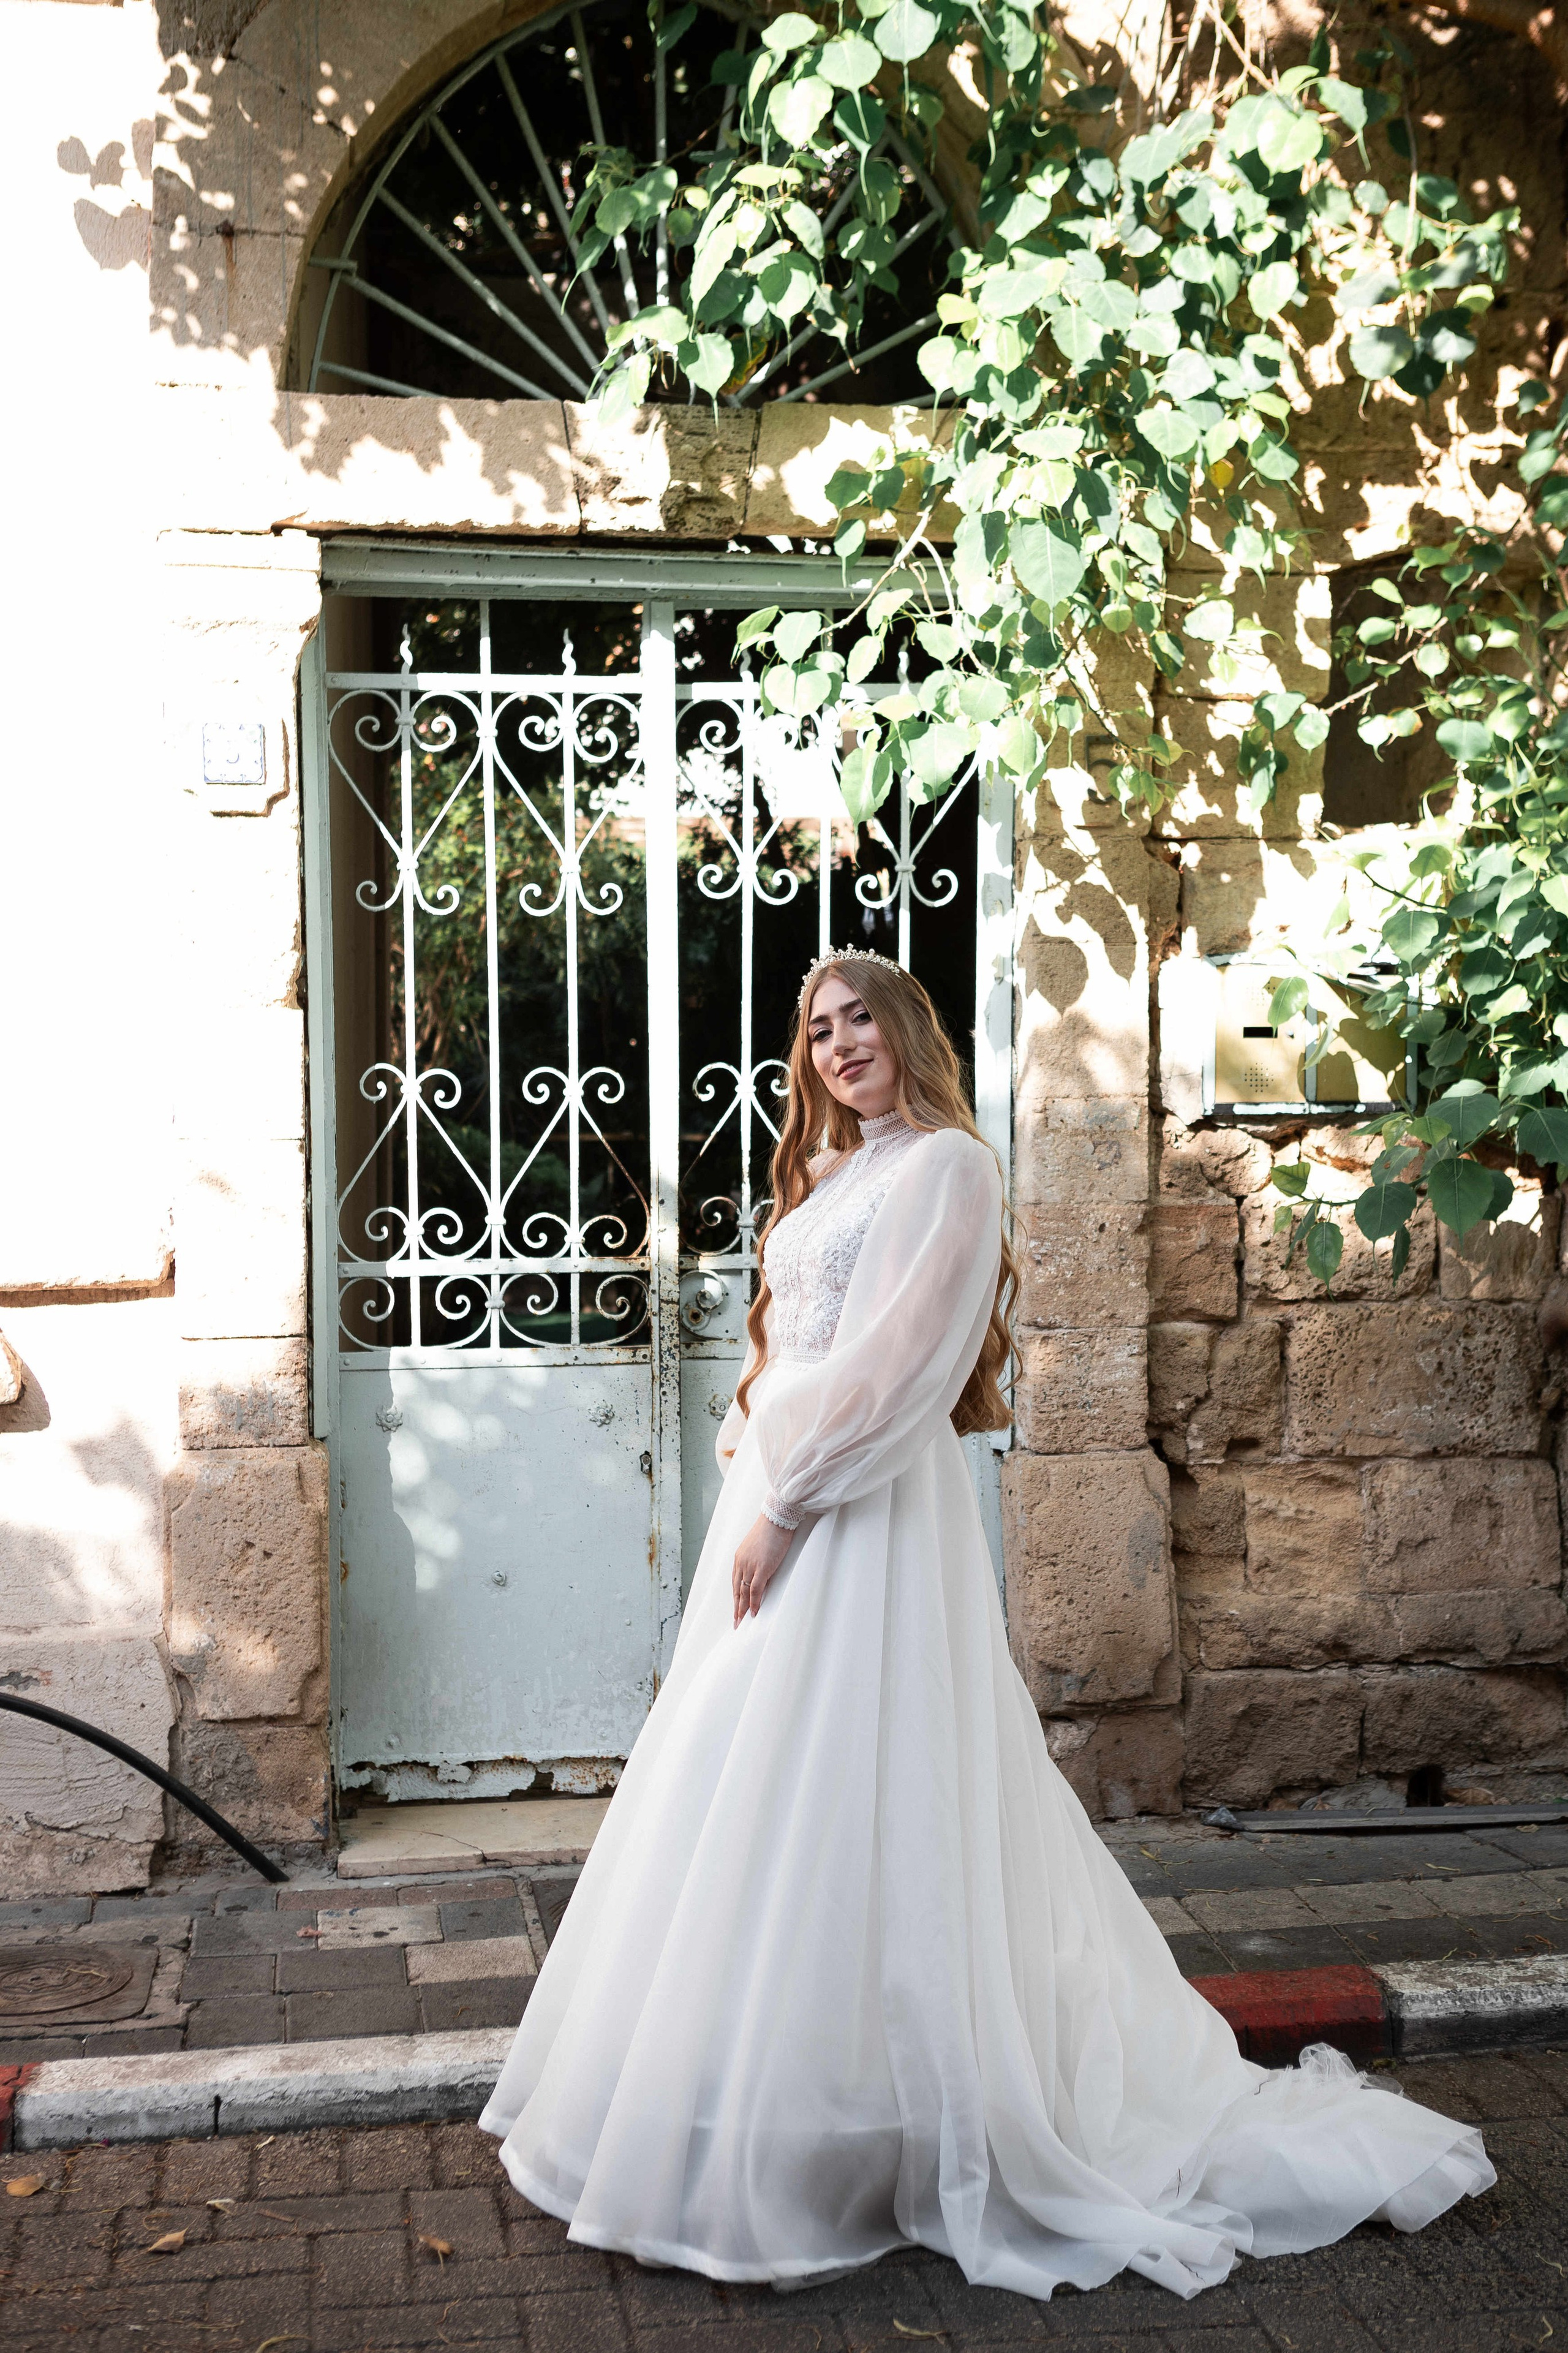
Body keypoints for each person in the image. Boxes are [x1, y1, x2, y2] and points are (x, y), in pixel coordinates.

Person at [480, 947, 1493, 2300]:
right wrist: (754, 1473)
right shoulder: (837, 1172)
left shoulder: (948, 1166)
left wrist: (787, 1498)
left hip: (850, 1516)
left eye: (858, 1021)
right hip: (780, 1500)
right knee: (762, 1789)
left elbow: (903, 1364)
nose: (838, 1045)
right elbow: (795, 1347)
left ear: (906, 1030)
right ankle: (796, 2089)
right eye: (818, 1029)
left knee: (858, 1776)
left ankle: (907, 2107)